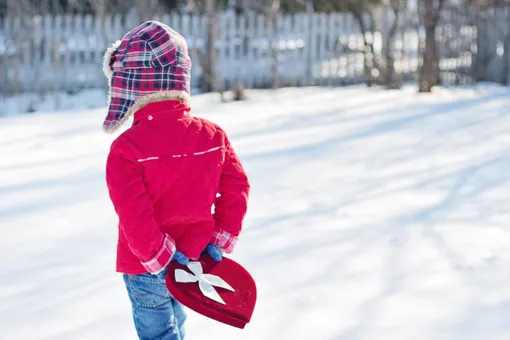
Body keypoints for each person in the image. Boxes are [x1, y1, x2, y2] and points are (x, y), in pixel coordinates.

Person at [103, 21, 250, 340]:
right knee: (176, 325)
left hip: (145, 266)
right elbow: (237, 188)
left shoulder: (126, 149)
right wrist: (219, 239)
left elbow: (134, 215)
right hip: (194, 261)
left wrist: (161, 257)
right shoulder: (212, 135)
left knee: (159, 334)